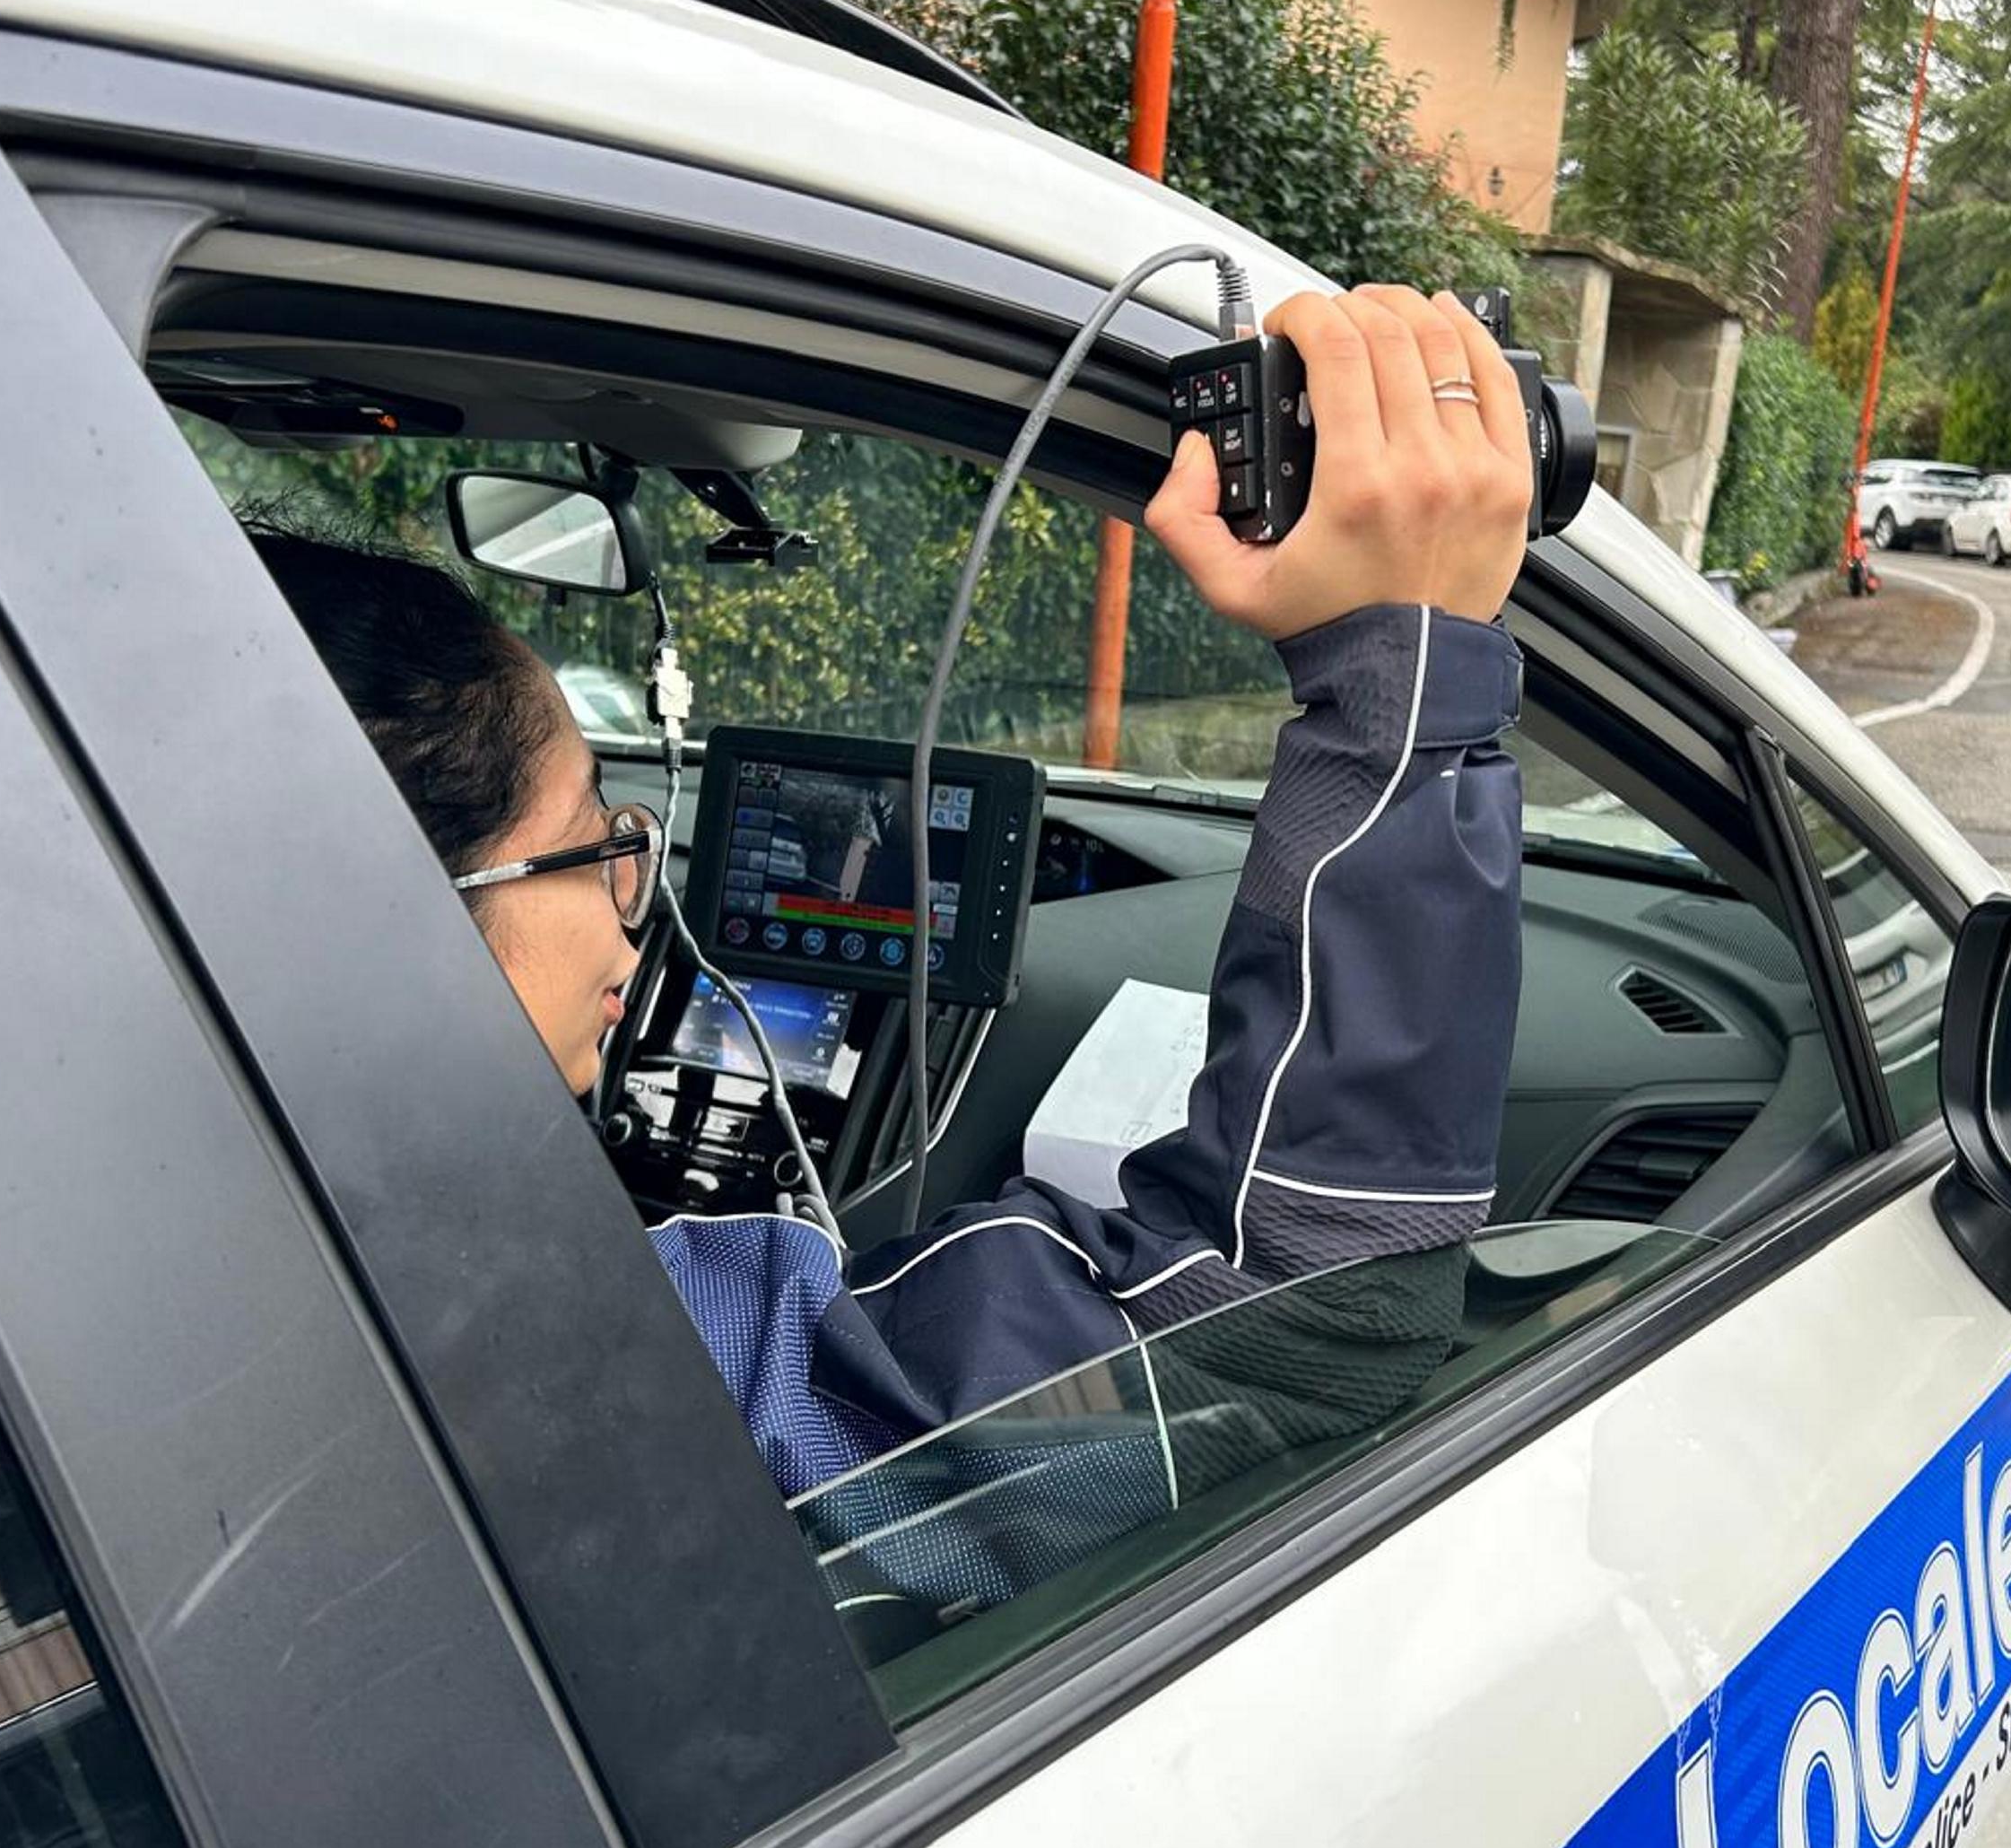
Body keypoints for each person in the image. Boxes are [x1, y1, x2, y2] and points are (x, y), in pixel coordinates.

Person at [259, 286, 1534, 1496]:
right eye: (598, 838)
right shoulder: (575, 1370)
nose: (635, 910)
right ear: (404, 924)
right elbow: (1306, 1322)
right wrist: (1400, 688)